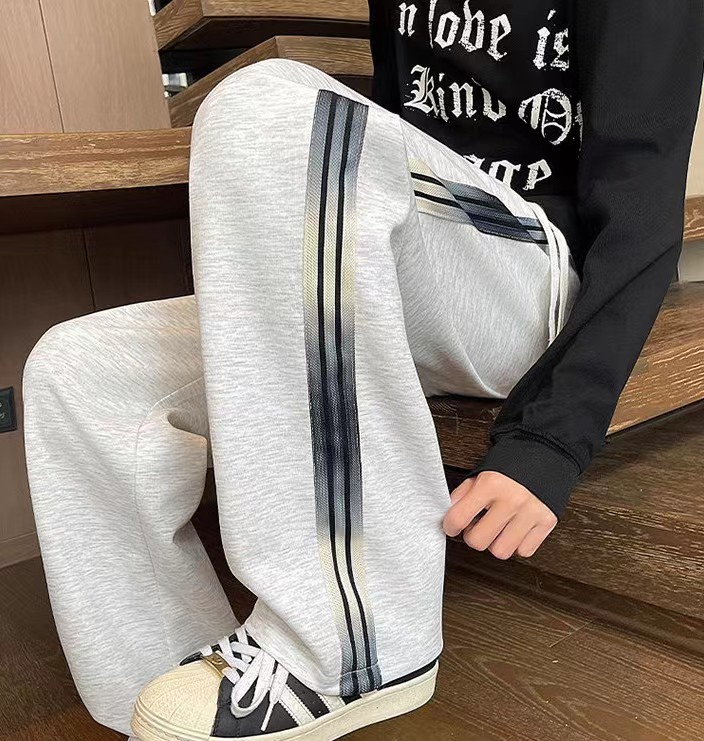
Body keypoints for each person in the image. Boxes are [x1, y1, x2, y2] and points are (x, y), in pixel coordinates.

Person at [23, 1, 703, 739]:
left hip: (534, 278)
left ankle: (354, 646)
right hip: (418, 258)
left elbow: (642, 212)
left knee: (267, 101)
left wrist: (550, 439)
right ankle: (159, 707)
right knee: (81, 368)